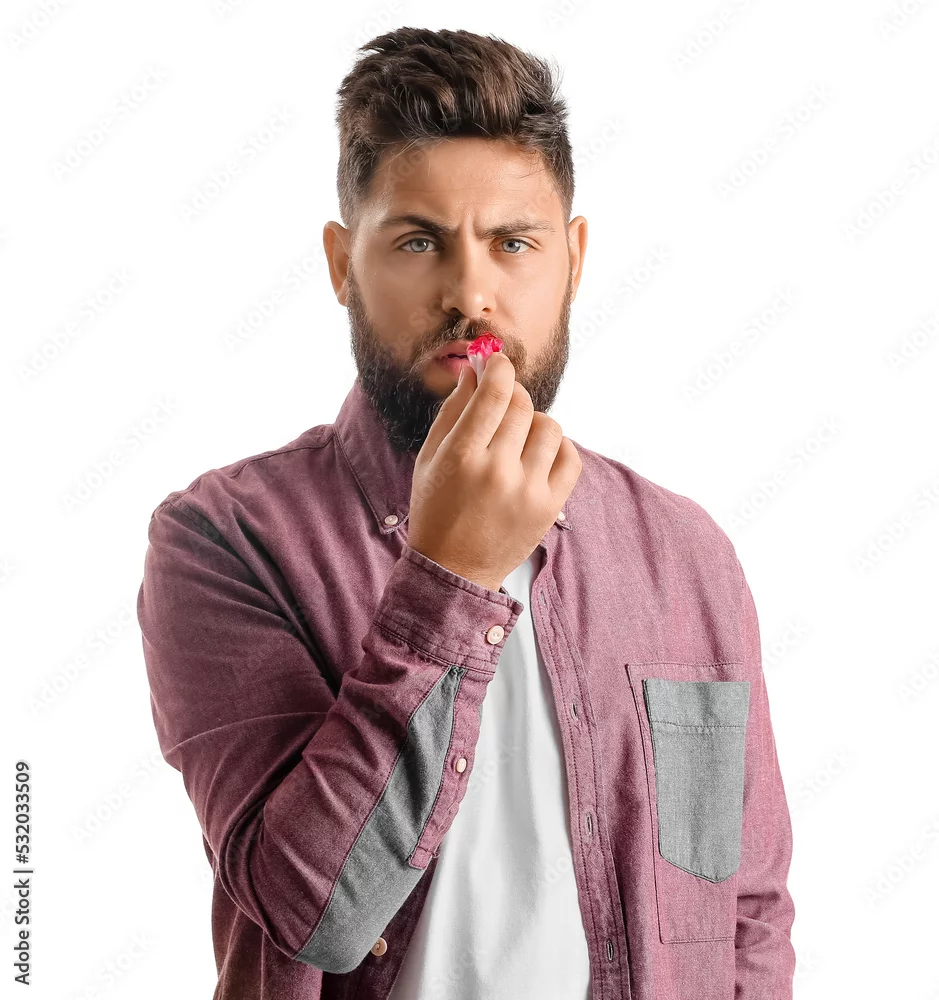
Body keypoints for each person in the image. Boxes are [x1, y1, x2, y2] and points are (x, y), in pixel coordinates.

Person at [137, 26, 796, 1000]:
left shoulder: (686, 554)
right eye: (418, 241)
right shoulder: (226, 538)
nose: (471, 292)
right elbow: (314, 918)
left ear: (572, 259)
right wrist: (451, 577)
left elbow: (745, 916)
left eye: (512, 243)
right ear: (342, 264)